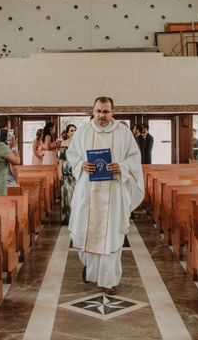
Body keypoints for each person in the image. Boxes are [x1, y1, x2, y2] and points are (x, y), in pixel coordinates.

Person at [68, 96, 144, 295]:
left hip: (114, 191)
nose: (102, 116)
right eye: (99, 111)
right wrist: (80, 164)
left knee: (111, 235)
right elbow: (72, 155)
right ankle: (90, 267)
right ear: (93, 111)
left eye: (106, 112)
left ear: (113, 112)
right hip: (88, 192)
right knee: (84, 232)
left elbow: (134, 158)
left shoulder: (123, 133)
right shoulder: (83, 131)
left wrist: (122, 166)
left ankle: (109, 281)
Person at [59, 124, 77, 225]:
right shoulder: (64, 144)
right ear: (67, 133)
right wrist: (59, 172)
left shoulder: (79, 143)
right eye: (71, 131)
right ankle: (67, 217)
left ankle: (76, 217)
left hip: (76, 171)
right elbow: (60, 160)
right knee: (66, 195)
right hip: (67, 171)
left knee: (76, 196)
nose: (73, 132)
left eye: (75, 130)